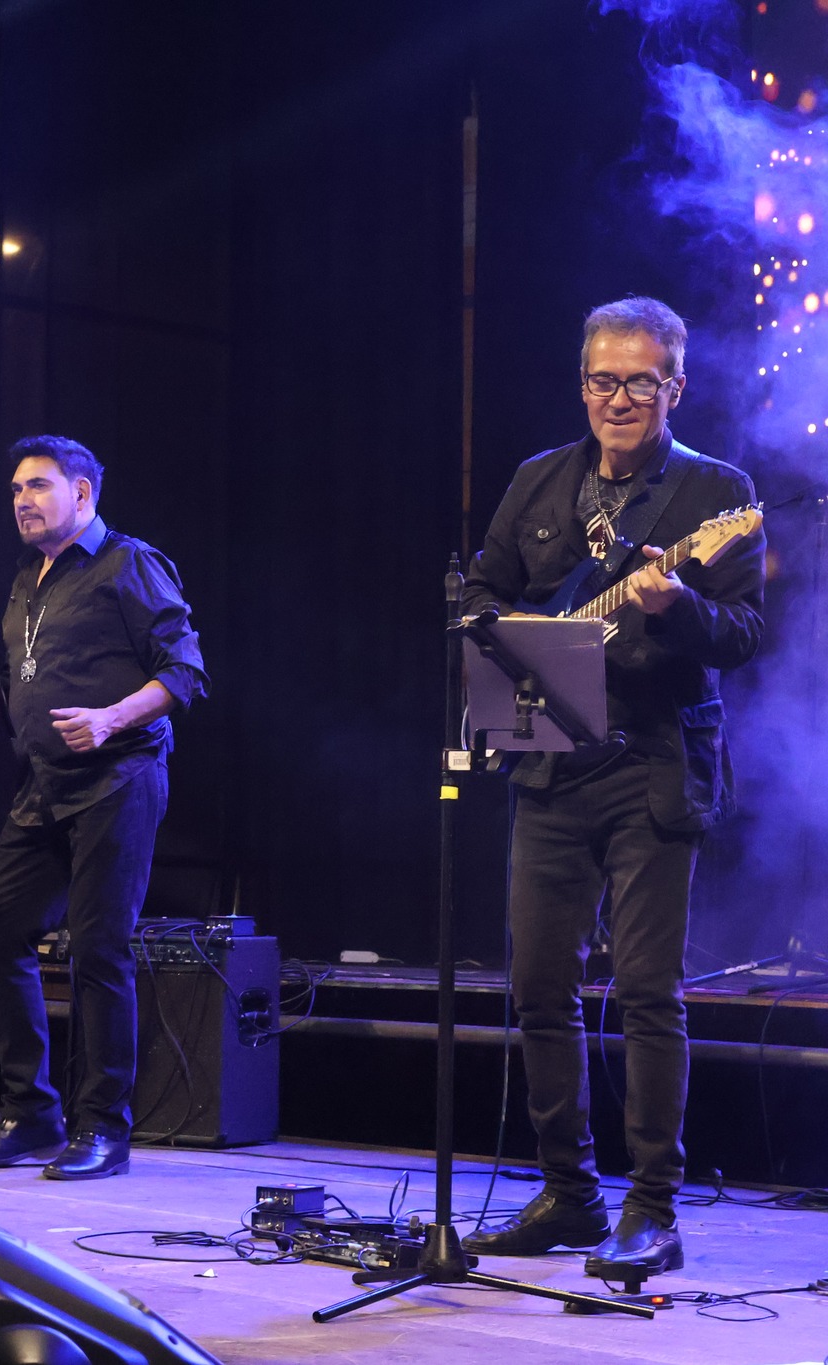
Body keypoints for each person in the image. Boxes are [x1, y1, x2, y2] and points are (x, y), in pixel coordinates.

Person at [460, 296, 763, 1280]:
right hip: (551, 761)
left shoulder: (716, 494)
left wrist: (674, 607)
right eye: (602, 379)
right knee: (538, 989)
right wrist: (512, 636)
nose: (618, 398)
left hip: (653, 764)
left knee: (644, 992)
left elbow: (745, 635)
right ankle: (568, 1194)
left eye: (639, 381)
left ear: (675, 387)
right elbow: (481, 593)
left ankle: (651, 1206)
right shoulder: (538, 479)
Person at [0, 435, 209, 1181]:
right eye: (15, 490)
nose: (22, 501)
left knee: (99, 949)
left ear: (84, 493)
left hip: (117, 778)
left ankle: (103, 1127)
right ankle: (31, 1115)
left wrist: (109, 718)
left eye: (37, 485)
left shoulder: (130, 563)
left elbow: (185, 671)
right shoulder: (27, 578)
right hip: (44, 788)